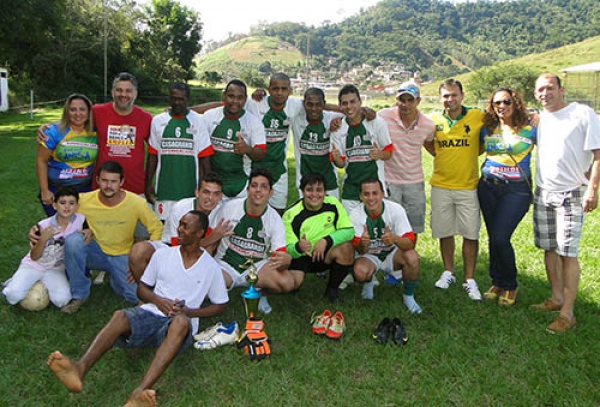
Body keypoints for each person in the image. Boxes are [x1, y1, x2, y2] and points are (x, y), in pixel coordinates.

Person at [47, 210, 228, 406]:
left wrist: (189, 312)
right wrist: (158, 301)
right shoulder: (163, 255)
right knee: (119, 316)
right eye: (180, 224)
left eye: (186, 226)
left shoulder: (211, 267)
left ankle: (139, 394)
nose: (179, 229)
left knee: (180, 323)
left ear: (200, 233)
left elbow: (220, 306)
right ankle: (79, 369)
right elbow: (142, 290)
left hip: (179, 325)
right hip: (152, 312)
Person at [530, 73, 600, 333]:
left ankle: (567, 313)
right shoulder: (542, 118)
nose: (544, 93)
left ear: (562, 89)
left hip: (571, 193)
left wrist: (592, 189)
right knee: (549, 248)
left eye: (549, 88)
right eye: (539, 90)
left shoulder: (583, 114)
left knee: (567, 252)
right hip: (543, 192)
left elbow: (598, 153)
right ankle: (556, 297)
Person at [60, 161, 163, 314]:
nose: (108, 185)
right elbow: (61, 216)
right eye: (104, 180)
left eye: (113, 181)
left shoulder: (136, 202)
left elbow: (157, 228)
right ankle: (79, 294)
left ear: (121, 182)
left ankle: (114, 278)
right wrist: (38, 231)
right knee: (73, 241)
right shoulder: (83, 200)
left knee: (135, 296)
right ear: (97, 181)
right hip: (95, 251)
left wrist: (142, 260)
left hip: (123, 255)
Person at [426, 78, 485, 300]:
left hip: (468, 186)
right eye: (445, 96)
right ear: (440, 98)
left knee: (470, 233)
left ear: (462, 96)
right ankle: (448, 271)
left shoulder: (477, 117)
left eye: (454, 95)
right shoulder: (433, 120)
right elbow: (427, 142)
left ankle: (469, 278)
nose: (450, 99)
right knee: (445, 231)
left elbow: (484, 141)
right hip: (441, 185)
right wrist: (441, 154)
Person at [478, 87, 536, 306]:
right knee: (494, 237)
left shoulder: (531, 128)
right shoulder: (487, 128)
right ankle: (497, 281)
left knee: (502, 237)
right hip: (488, 187)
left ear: (516, 103)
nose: (502, 106)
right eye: (497, 103)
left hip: (516, 190)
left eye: (507, 102)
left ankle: (510, 284)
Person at [211, 168, 293, 314]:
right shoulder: (229, 208)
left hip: (255, 268)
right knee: (205, 286)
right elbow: (211, 239)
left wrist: (286, 261)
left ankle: (260, 293)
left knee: (286, 282)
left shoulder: (275, 219)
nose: (258, 190)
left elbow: (278, 259)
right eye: (254, 185)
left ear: (270, 192)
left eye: (264, 187)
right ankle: (222, 288)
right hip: (226, 265)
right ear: (247, 189)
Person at [128, 172, 225, 282]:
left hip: (200, 254)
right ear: (197, 192)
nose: (211, 198)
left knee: (208, 249)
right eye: (206, 192)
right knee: (139, 251)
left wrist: (211, 242)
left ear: (221, 196)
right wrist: (211, 238)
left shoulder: (222, 211)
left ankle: (193, 286)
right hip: (170, 248)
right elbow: (177, 247)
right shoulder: (181, 208)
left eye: (216, 194)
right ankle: (148, 290)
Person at [3, 187, 84, 308]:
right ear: (55, 206)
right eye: (62, 203)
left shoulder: (80, 220)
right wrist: (43, 239)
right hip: (34, 265)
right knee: (13, 297)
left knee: (62, 301)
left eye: (71, 203)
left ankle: (43, 284)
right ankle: (12, 283)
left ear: (77, 206)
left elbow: (90, 230)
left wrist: (89, 232)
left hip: (56, 268)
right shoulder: (42, 226)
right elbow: (34, 256)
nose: (67, 207)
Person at [350, 179, 422, 313]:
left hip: (392, 254)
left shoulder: (395, 209)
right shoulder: (355, 214)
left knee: (412, 258)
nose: (371, 198)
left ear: (383, 194)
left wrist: (395, 239)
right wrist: (363, 244)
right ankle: (369, 281)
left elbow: (410, 242)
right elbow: (358, 249)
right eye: (366, 194)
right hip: (370, 256)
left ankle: (408, 296)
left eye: (375, 193)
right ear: (360, 196)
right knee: (359, 272)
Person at [145, 82, 213, 222]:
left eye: (181, 99)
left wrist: (207, 187)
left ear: (188, 100)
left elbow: (205, 158)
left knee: (187, 229)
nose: (177, 102)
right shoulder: (158, 121)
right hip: (164, 190)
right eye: (174, 98)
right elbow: (152, 156)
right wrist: (147, 184)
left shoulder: (198, 121)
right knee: (163, 231)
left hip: (189, 190)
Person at [283, 173, 355, 303]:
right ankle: (294, 284)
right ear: (302, 191)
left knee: (346, 248)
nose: (314, 194)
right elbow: (287, 249)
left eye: (319, 190)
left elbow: (349, 231)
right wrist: (299, 247)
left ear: (325, 192)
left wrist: (326, 241)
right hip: (302, 257)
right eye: (309, 190)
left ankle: (332, 289)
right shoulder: (291, 214)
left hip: (325, 254)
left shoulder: (333, 204)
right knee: (291, 284)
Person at [378, 82, 435, 242]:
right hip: (389, 181)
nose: (406, 104)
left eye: (410, 100)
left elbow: (431, 145)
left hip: (414, 182)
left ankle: (409, 260)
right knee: (389, 224)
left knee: (412, 227)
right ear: (396, 100)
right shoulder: (383, 116)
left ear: (418, 101)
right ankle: (390, 261)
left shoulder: (428, 125)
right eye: (402, 100)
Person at [246, 73, 304, 213]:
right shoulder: (255, 102)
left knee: (278, 212)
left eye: (284, 89)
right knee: (251, 210)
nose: (279, 92)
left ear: (290, 91)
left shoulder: (294, 105)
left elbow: (320, 105)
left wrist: (355, 111)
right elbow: (226, 106)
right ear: (269, 89)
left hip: (278, 169)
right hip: (253, 167)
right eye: (275, 88)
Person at [331, 84, 393, 214]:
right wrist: (336, 159)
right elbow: (341, 164)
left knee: (374, 229)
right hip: (351, 188)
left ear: (360, 102)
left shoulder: (376, 122)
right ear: (340, 105)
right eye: (344, 103)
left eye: (353, 102)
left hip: (374, 187)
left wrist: (380, 154)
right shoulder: (338, 128)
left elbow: (389, 152)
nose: (349, 107)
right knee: (352, 230)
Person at [200, 79, 266, 201]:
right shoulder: (209, 117)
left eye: (240, 97)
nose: (235, 101)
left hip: (241, 186)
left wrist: (247, 149)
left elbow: (260, 154)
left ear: (245, 99)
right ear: (224, 96)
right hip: (214, 187)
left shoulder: (254, 122)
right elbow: (202, 151)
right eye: (231, 96)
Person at [36, 94, 97, 216]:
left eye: (82, 109)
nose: (77, 113)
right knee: (60, 230)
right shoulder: (53, 131)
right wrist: (44, 191)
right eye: (73, 109)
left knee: (82, 230)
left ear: (89, 112)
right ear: (66, 112)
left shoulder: (97, 131)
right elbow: (41, 161)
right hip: (57, 190)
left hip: (85, 190)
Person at [291, 88, 343, 198]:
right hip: (305, 180)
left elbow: (354, 112)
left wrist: (338, 120)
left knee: (332, 214)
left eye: (318, 104)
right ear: (303, 104)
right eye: (309, 104)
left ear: (324, 104)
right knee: (308, 214)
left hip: (329, 180)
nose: (314, 109)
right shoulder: (296, 118)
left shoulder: (331, 118)